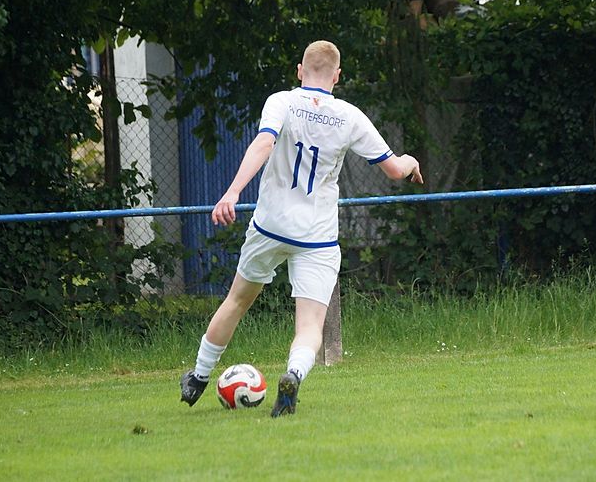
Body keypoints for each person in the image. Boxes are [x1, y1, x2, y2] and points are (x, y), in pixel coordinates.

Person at [179, 40, 424, 417]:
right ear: (337, 76)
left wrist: (232, 191)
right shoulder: (350, 116)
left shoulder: (282, 101)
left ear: (299, 71)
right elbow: (393, 169)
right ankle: (292, 374)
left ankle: (198, 376)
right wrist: (410, 161)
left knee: (237, 301)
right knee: (310, 325)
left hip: (270, 226)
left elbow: (264, 143)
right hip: (317, 236)